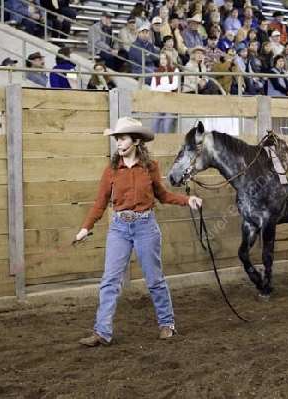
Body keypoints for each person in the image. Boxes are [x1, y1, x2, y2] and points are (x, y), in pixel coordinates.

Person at [76, 117, 203, 346]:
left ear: (135, 141)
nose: (118, 143)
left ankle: (167, 324)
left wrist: (187, 200)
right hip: (119, 229)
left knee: (154, 279)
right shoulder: (111, 171)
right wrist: (86, 228)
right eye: (116, 139)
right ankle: (102, 332)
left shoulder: (150, 168)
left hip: (146, 227)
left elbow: (163, 196)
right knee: (110, 281)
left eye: (122, 138)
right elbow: (100, 203)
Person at [149, 52, 179, 133]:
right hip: (159, 102)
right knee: (154, 124)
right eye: (161, 58)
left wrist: (161, 87)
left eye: (164, 58)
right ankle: (154, 144)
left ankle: (166, 145)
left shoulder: (175, 70)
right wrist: (163, 89)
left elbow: (174, 86)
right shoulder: (156, 72)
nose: (162, 60)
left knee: (166, 126)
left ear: (169, 59)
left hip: (171, 102)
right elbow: (152, 88)